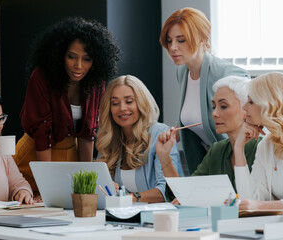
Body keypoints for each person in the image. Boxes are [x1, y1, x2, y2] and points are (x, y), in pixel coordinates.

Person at [14, 17, 120, 195]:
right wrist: (46, 187)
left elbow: (88, 134)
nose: (78, 66)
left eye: (86, 59)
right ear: (60, 54)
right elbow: (42, 134)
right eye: (72, 57)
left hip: (70, 155)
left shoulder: (95, 82)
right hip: (34, 157)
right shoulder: (41, 77)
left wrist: (86, 185)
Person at [160, 7, 250, 174]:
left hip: (240, 163)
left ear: (202, 38)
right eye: (169, 40)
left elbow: (251, 121)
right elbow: (196, 118)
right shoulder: (183, 72)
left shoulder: (227, 74)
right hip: (210, 163)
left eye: (181, 40)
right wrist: (174, 133)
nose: (172, 47)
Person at [157, 76, 261, 202]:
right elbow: (183, 195)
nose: (214, 113)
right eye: (213, 107)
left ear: (246, 110)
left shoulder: (263, 148)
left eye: (223, 106)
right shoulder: (217, 150)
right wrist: (165, 158)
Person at [96, 75, 183, 203]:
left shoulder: (159, 134)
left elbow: (167, 191)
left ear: (141, 102)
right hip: (125, 217)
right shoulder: (109, 139)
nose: (122, 108)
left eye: (129, 101)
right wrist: (111, 188)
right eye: (115, 103)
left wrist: (130, 197)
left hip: (160, 217)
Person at [234, 72, 283, 214]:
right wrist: (238, 148)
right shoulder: (266, 145)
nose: (244, 108)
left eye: (251, 102)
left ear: (270, 104)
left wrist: (260, 206)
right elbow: (251, 200)